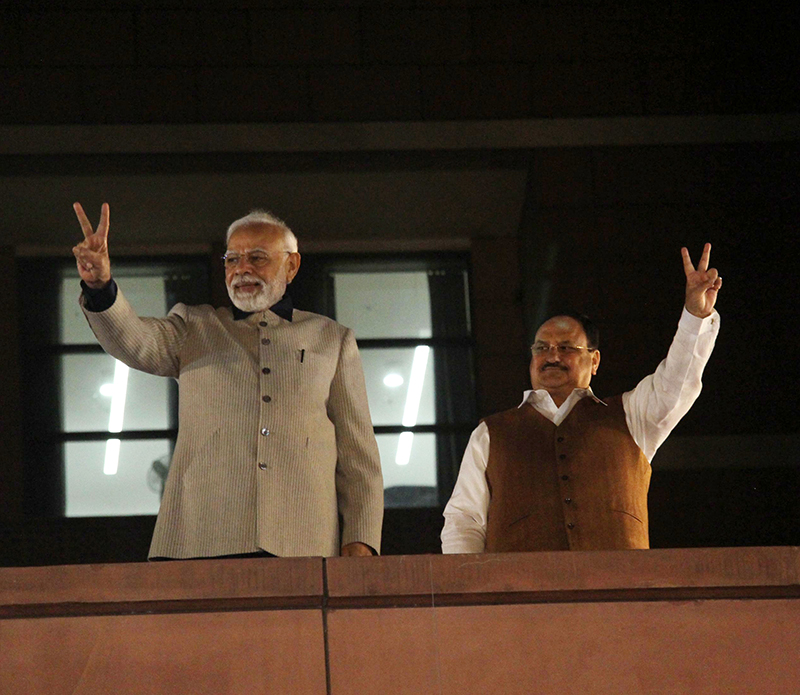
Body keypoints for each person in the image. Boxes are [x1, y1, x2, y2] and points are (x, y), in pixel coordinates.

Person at [72, 202, 383, 559]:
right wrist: (99, 286)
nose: (242, 269)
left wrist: (360, 542)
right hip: (200, 540)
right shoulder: (193, 327)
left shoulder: (332, 339)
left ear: (292, 265)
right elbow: (134, 340)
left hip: (303, 543)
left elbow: (359, 458)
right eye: (232, 259)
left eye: (257, 258)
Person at [441, 244, 722, 553]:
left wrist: (695, 317)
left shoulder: (632, 416)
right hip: (521, 585)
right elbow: (464, 521)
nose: (552, 356)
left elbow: (677, 382)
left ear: (595, 360)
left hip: (620, 583)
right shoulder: (491, 433)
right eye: (541, 348)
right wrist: (468, 581)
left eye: (566, 347)